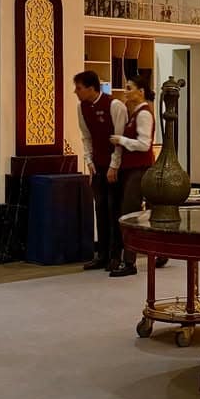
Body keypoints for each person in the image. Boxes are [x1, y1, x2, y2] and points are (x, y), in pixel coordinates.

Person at [74, 70, 126, 271]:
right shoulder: (81, 107)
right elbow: (86, 136)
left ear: (91, 88)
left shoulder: (114, 105)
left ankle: (116, 255)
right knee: (100, 209)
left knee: (114, 210)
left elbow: (119, 139)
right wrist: (89, 161)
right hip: (97, 165)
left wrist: (114, 165)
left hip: (116, 165)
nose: (76, 92)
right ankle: (102, 254)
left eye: (79, 88)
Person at [107, 75, 156, 278]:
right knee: (128, 212)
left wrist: (122, 140)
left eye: (129, 88)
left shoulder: (143, 114)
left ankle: (129, 261)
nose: (126, 92)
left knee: (130, 213)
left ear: (141, 92)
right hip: (132, 169)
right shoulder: (135, 113)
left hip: (140, 169)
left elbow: (144, 144)